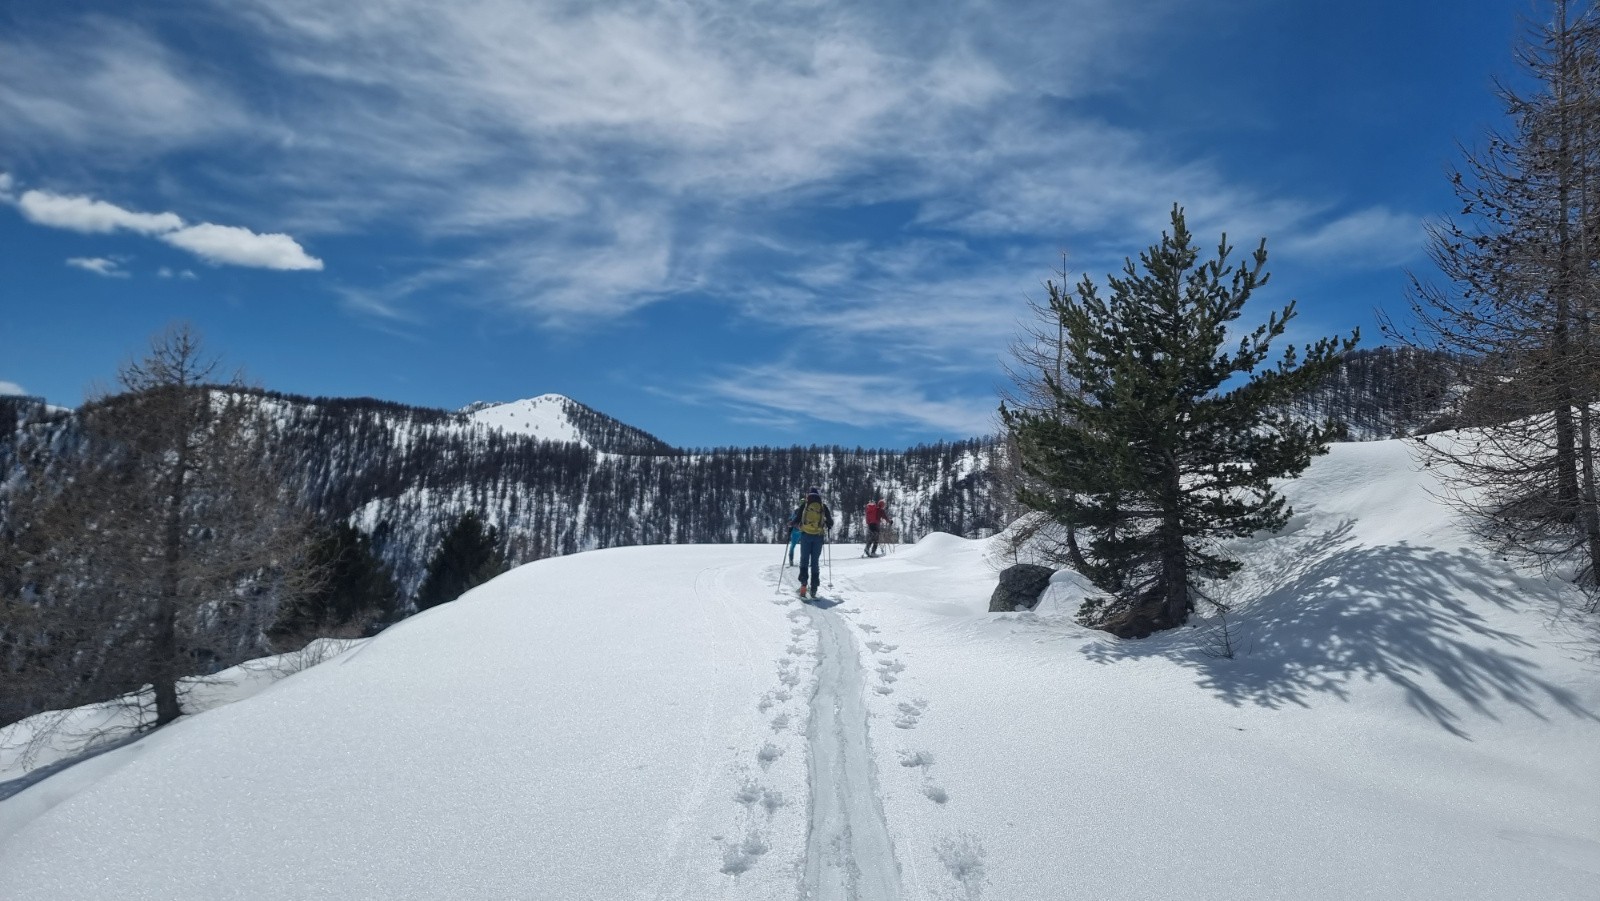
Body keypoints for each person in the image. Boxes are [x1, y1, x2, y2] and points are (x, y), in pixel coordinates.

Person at [788, 487, 833, 598]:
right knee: (815, 562)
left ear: (809, 495)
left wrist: (791, 524)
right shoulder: (823, 506)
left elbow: (797, 520)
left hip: (805, 536)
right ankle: (813, 589)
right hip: (818, 537)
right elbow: (831, 523)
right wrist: (826, 523)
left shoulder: (805, 505)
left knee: (804, 560)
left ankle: (803, 585)